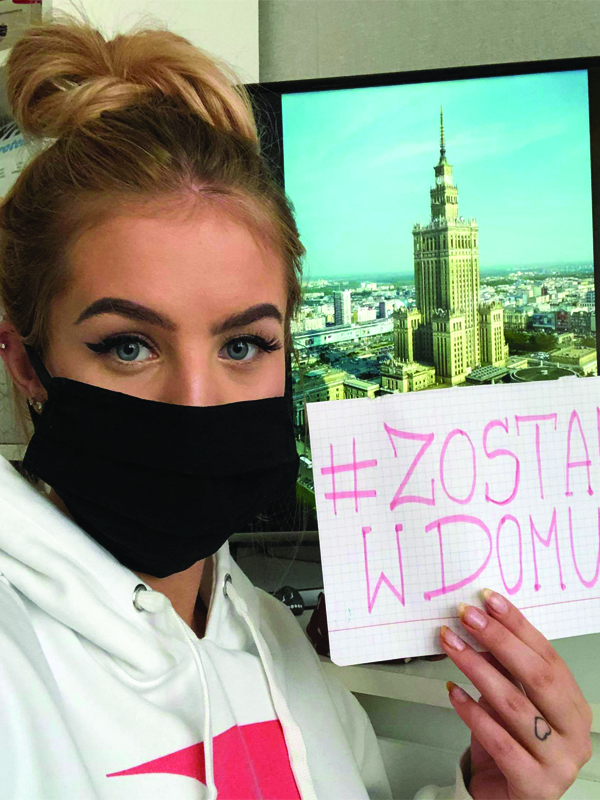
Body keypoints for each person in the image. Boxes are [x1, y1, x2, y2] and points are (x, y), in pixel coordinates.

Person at [0, 12, 592, 800]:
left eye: (243, 345)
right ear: (25, 359)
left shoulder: (277, 648)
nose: (196, 405)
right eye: (129, 346)